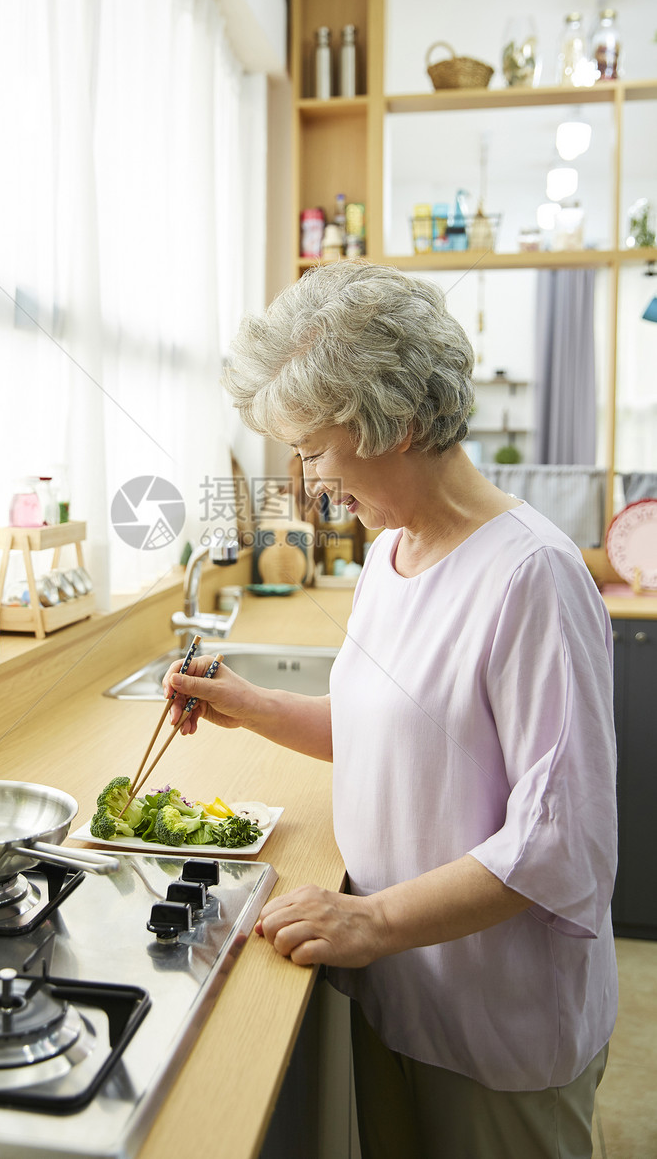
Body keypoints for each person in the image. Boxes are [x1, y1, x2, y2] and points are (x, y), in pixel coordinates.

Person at [165, 262, 617, 1159]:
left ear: (398, 423)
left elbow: (560, 841)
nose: (305, 487)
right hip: (399, 992)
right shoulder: (391, 554)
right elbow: (391, 736)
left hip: (499, 1025)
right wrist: (250, 705)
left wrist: (369, 920)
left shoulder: (533, 575)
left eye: (314, 452)